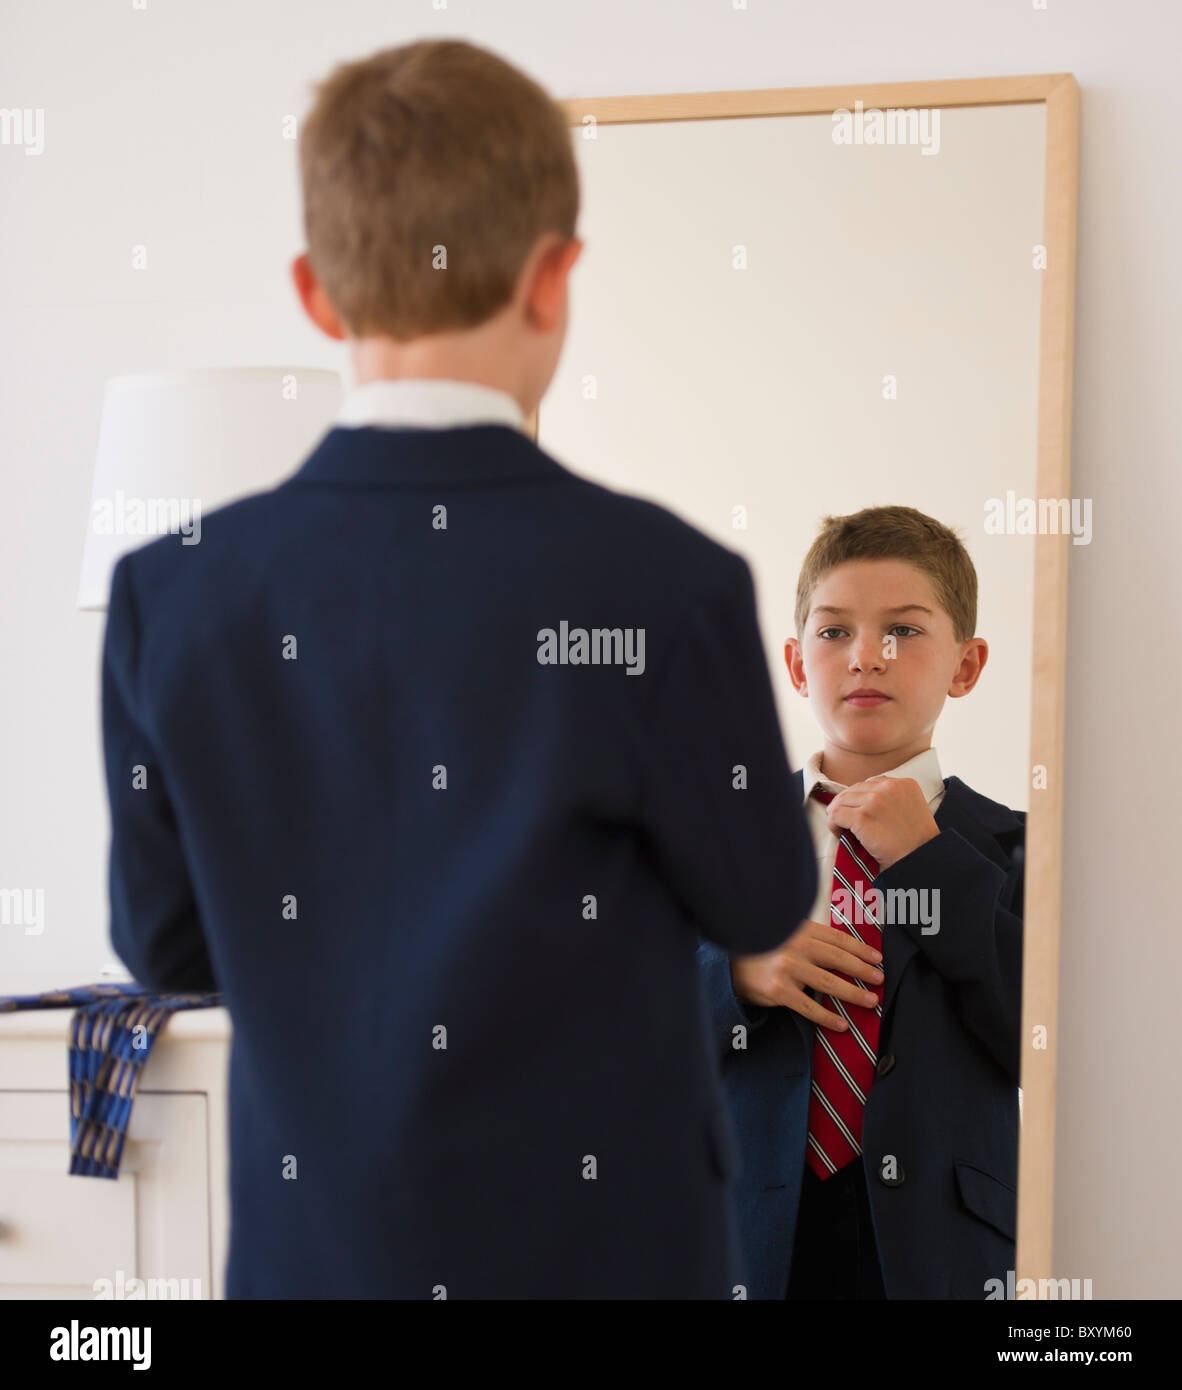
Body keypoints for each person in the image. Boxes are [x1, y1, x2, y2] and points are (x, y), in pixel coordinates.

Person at [101, 38, 816, 1299]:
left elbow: (167, 949)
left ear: (319, 293)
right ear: (556, 278)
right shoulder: (674, 581)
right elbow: (762, 903)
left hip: (314, 1260)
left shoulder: (176, 593)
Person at [698, 505, 1024, 1299]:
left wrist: (929, 860)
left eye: (904, 631)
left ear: (967, 665)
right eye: (835, 631)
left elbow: (1045, 1045)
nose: (867, 657)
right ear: (798, 664)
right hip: (740, 1239)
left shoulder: (1019, 849)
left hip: (942, 1256)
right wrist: (733, 975)